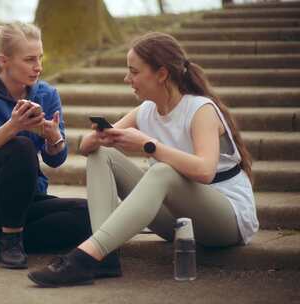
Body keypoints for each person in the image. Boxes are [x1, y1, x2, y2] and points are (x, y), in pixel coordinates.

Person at [28, 32, 258, 287]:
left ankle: (85, 258)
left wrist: (149, 146)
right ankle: (106, 257)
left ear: (161, 74)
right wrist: (98, 138)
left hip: (225, 220)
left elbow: (205, 171)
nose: (128, 79)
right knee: (103, 154)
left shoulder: (200, 109)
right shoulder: (147, 110)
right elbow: (85, 147)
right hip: (177, 219)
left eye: (134, 72)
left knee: (162, 172)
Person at [0, 22, 122, 272]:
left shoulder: (46, 93)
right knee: (20, 146)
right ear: (4, 61)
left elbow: (56, 160)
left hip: (27, 200)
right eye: (29, 60)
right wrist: (13, 126)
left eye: (40, 58)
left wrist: (53, 137)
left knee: (92, 216)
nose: (39, 67)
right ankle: (11, 241)